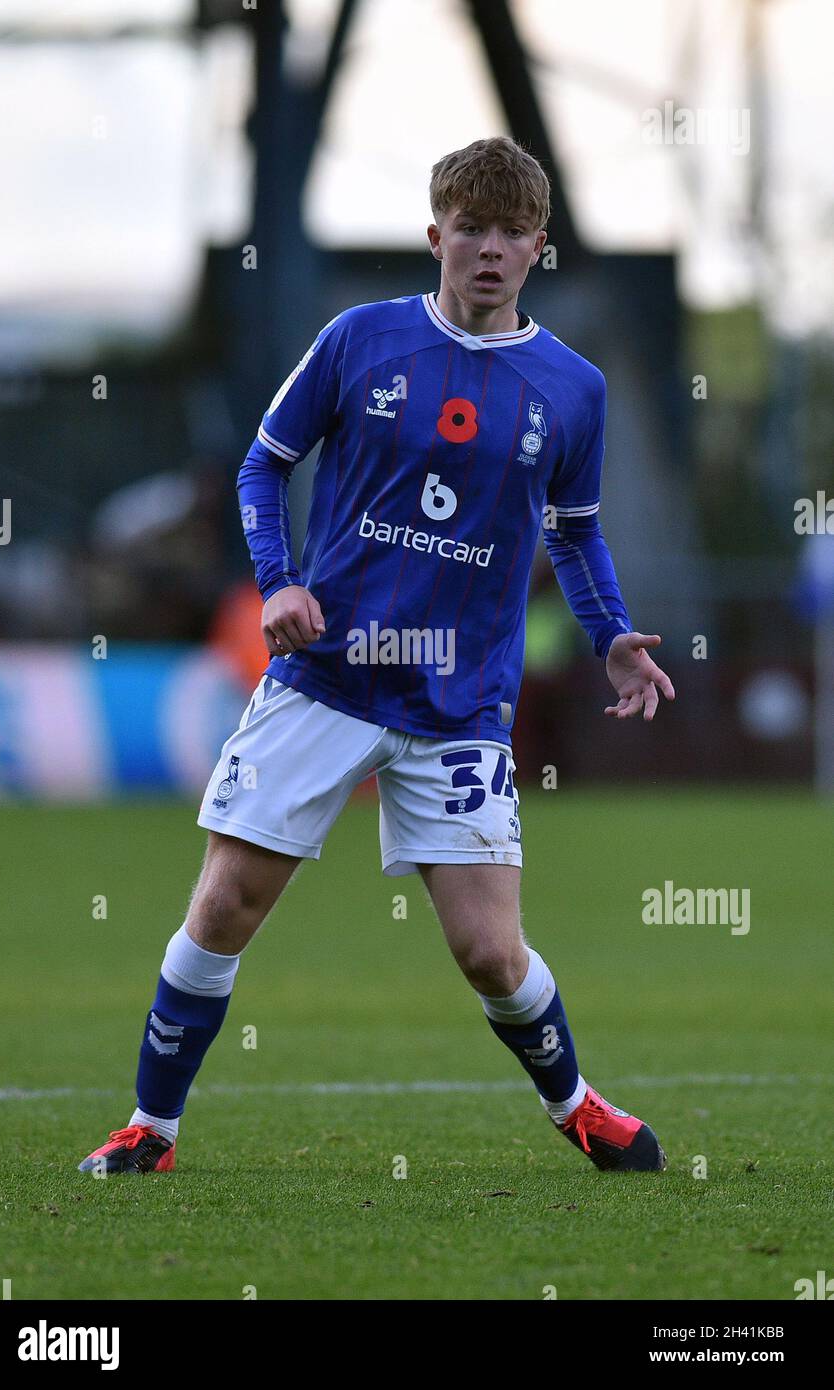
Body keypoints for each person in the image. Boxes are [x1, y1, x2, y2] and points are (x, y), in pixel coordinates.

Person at [79, 136, 675, 1177]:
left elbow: (574, 532)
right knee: (223, 905)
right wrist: (280, 585)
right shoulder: (361, 340)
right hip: (328, 678)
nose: (487, 250)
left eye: (510, 233)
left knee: (490, 951)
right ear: (433, 232)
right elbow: (265, 468)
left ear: (537, 247)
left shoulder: (570, 388)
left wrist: (610, 634)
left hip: (457, 701)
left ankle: (577, 1107)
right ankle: (151, 1128)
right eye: (469, 228)